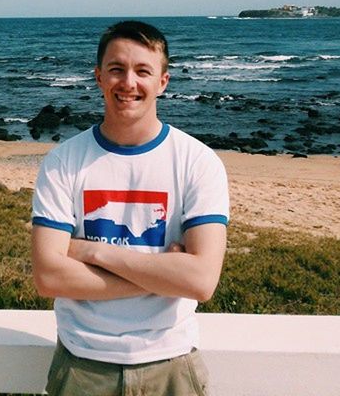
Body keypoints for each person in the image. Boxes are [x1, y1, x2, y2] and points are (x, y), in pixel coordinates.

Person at [31, 20, 229, 396]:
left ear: (163, 82)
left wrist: (92, 251)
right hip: (81, 365)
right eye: (117, 69)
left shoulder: (197, 162)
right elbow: (49, 278)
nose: (129, 83)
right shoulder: (63, 162)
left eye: (143, 71)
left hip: (171, 364)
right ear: (99, 77)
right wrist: (165, 276)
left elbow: (201, 282)